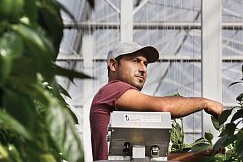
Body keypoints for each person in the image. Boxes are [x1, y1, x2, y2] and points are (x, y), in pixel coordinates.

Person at [89, 41, 223, 161]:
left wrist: (197, 155)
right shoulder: (112, 90)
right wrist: (205, 102)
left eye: (145, 64)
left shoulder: (126, 113)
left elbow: (152, 159)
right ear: (113, 65)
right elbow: (164, 107)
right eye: (136, 61)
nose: (143, 69)